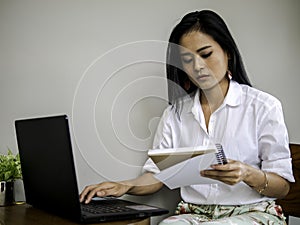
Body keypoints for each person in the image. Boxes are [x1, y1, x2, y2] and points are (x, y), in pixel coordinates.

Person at [80, 10, 294, 224]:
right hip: (193, 214)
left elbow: (282, 186)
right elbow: (158, 175)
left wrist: (248, 174)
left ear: (227, 52)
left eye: (206, 54)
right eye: (187, 60)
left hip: (251, 213)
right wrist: (125, 186)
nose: (198, 66)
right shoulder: (175, 113)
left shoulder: (264, 106)